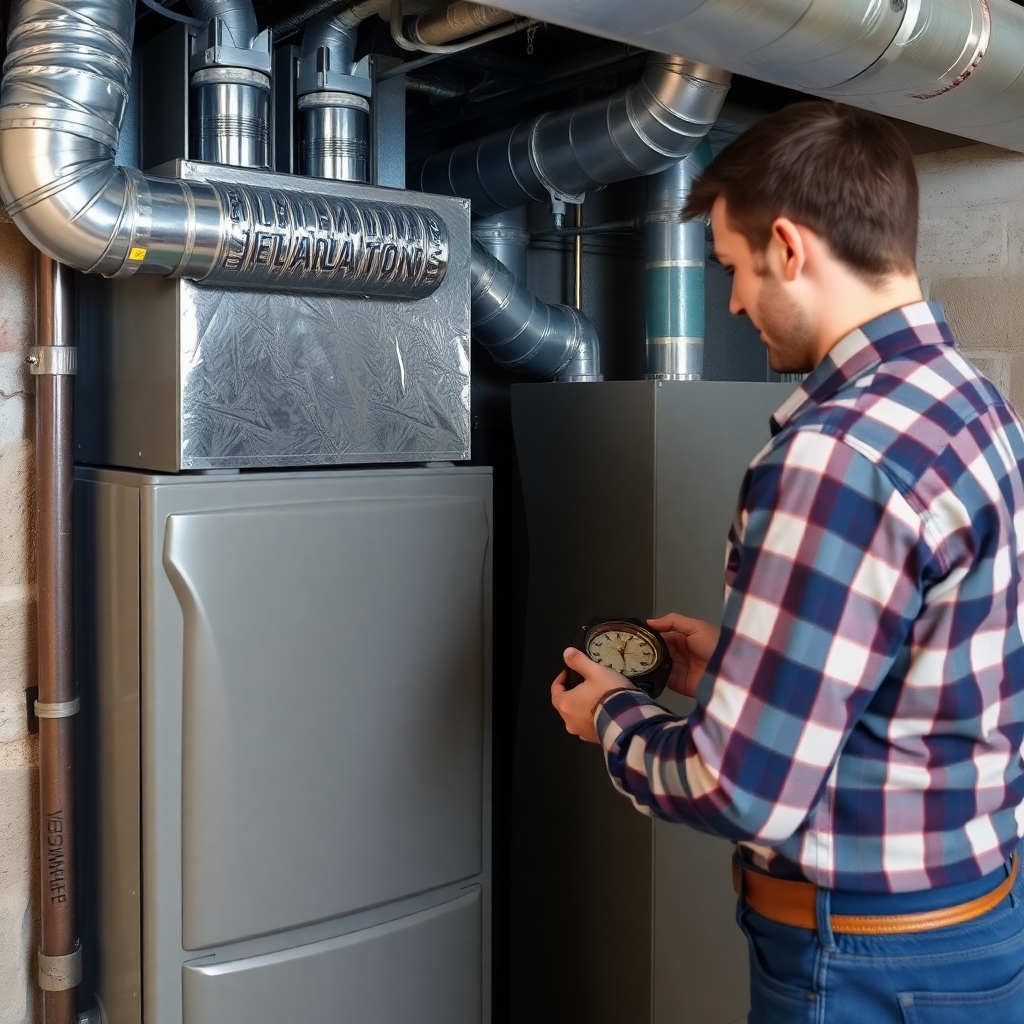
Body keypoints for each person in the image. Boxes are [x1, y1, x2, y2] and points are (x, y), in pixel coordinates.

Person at [550, 100, 1024, 1024]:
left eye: (731, 267)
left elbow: (739, 789)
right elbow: (922, 670)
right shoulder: (977, 406)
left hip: (859, 961)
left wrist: (609, 715)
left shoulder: (833, 455)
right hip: (976, 924)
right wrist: (733, 666)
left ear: (789, 246)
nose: (728, 301)